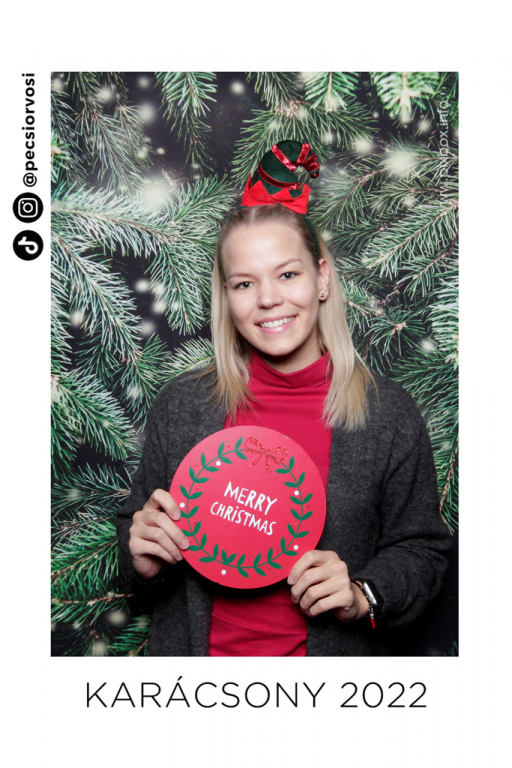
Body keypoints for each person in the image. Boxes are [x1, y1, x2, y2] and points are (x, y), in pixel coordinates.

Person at [116, 140, 451, 656]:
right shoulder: (183, 405)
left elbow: (422, 550)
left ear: (322, 278)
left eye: (288, 274)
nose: (269, 298)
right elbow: (138, 526)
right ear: (227, 298)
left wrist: (361, 595)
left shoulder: (387, 414)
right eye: (244, 283)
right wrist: (141, 555)